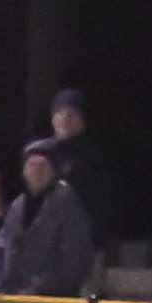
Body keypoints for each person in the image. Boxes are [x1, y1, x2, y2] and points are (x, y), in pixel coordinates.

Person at [0, 139, 94, 297]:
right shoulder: (18, 204)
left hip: (50, 301)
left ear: (54, 171)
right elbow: (0, 247)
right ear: (24, 171)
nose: (36, 171)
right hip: (12, 299)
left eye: (42, 166)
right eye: (31, 165)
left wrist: (39, 290)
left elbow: (76, 257)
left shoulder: (67, 203)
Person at [44, 88, 107, 242]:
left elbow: (103, 204)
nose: (65, 119)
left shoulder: (94, 157)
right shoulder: (40, 153)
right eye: (60, 113)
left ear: (82, 120)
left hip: (79, 242)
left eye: (71, 113)